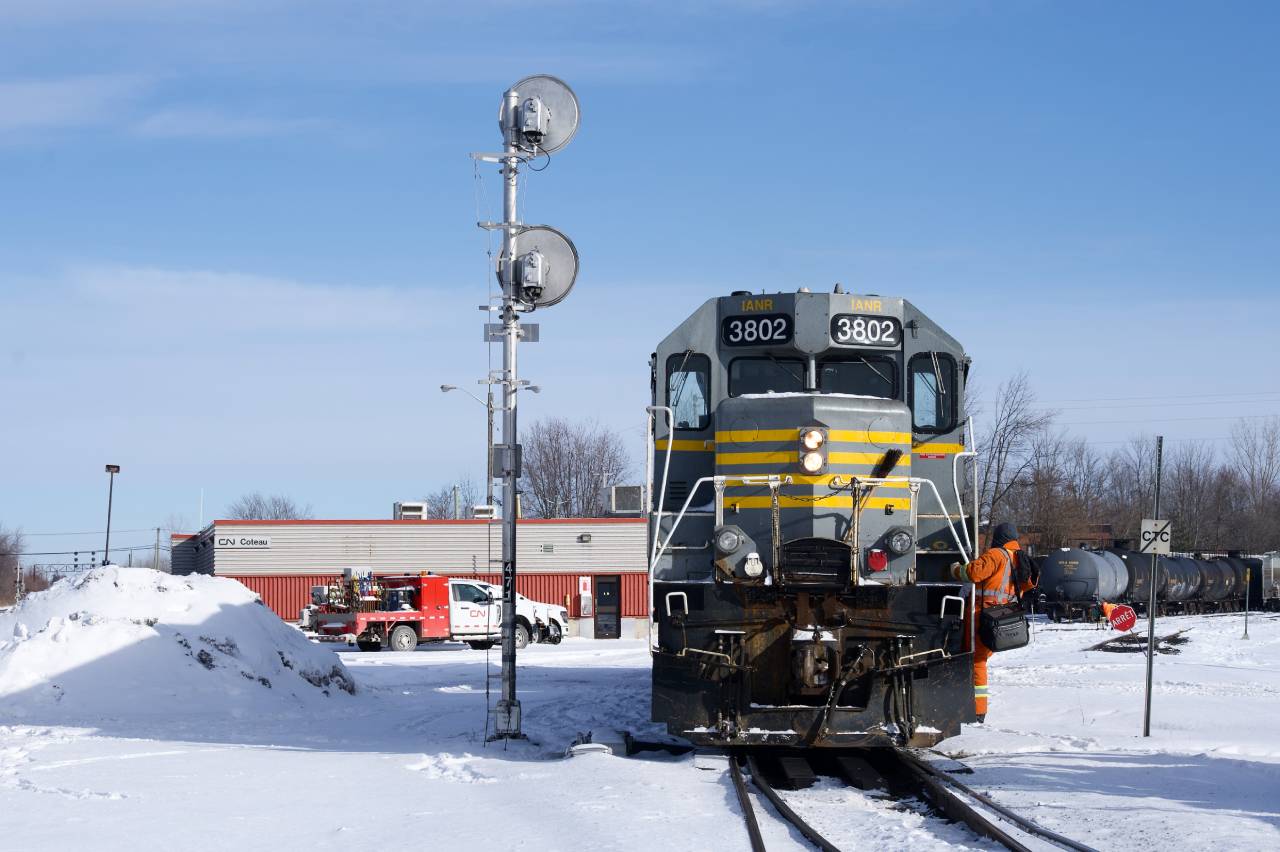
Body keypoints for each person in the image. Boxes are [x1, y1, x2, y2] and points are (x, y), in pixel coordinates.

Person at [949, 522, 1035, 723]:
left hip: (983, 616)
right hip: (1003, 618)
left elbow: (972, 573)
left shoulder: (996, 555)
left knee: (976, 662)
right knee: (978, 661)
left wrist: (954, 569)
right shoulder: (1020, 558)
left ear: (1000, 537)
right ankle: (971, 706)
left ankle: (978, 711)